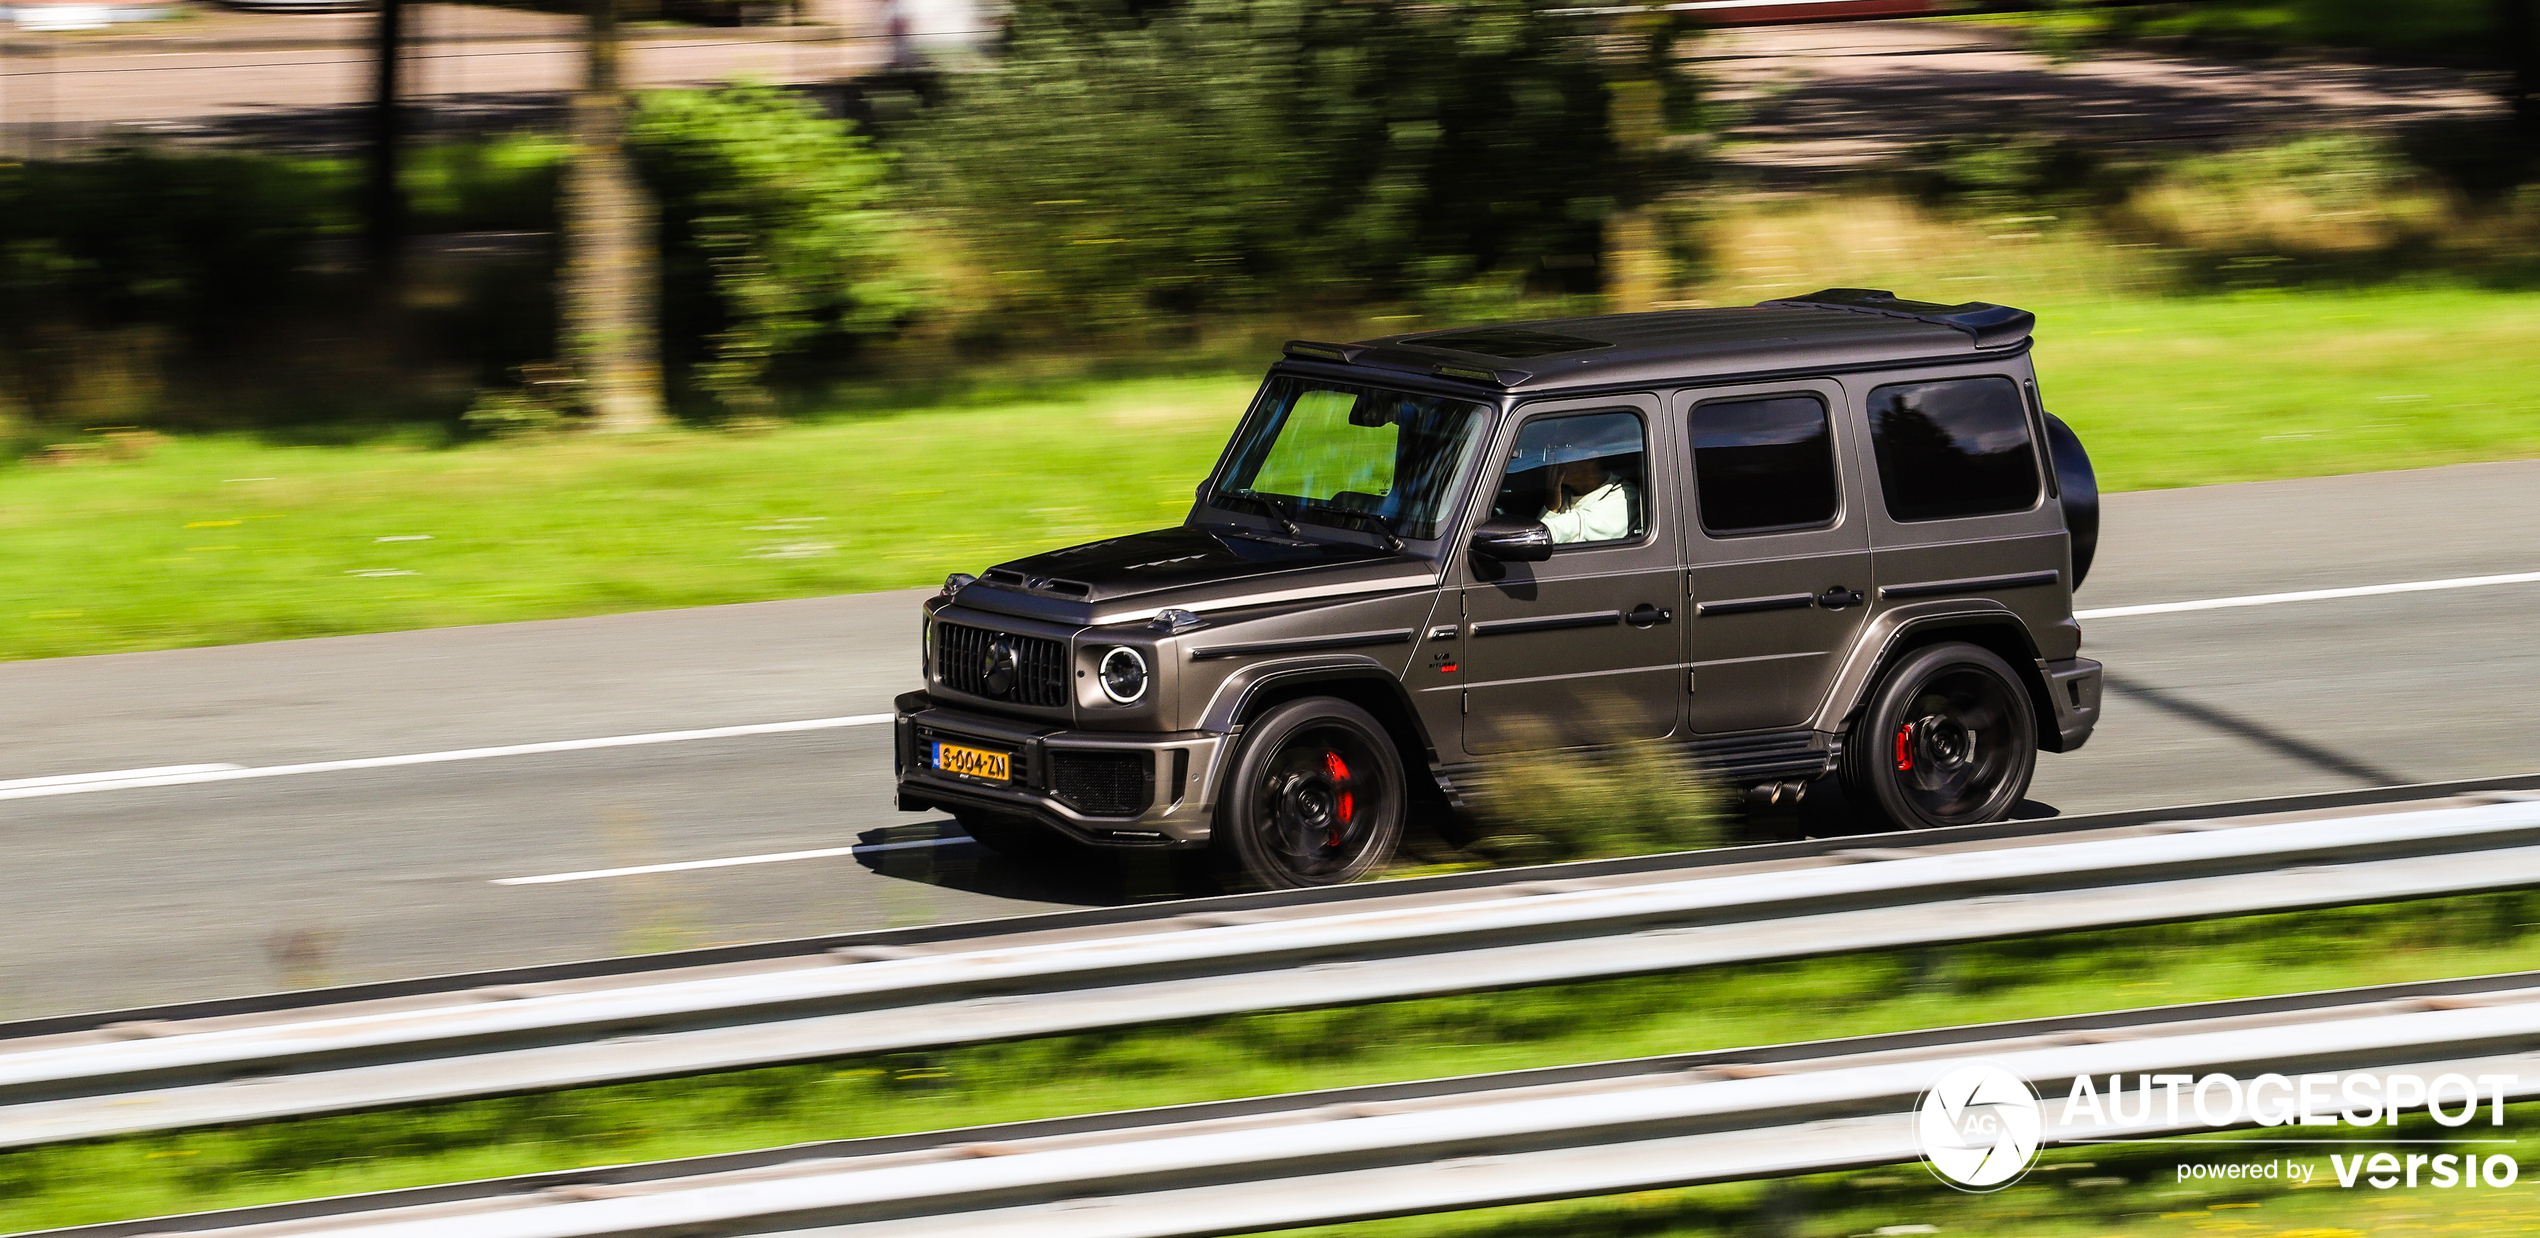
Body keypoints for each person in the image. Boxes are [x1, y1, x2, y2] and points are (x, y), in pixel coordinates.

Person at [1539, 456, 1635, 543]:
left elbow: (1578, 526)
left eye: (1566, 446)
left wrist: (1532, 534)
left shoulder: (1624, 495)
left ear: (1591, 458)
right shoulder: (1562, 496)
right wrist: (1552, 507)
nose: (1555, 460)